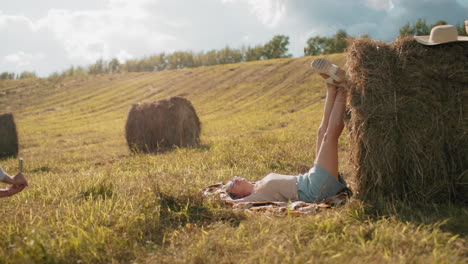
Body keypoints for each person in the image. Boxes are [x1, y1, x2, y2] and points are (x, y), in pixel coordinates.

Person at [226, 58, 349, 203]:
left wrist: (225, 189)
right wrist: (222, 195)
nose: (235, 180)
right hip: (316, 190)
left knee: (321, 132)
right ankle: (343, 88)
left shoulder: (258, 183)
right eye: (231, 185)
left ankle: (331, 87)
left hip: (310, 178)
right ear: (240, 196)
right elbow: (230, 203)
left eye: (233, 179)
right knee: (329, 137)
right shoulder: (255, 197)